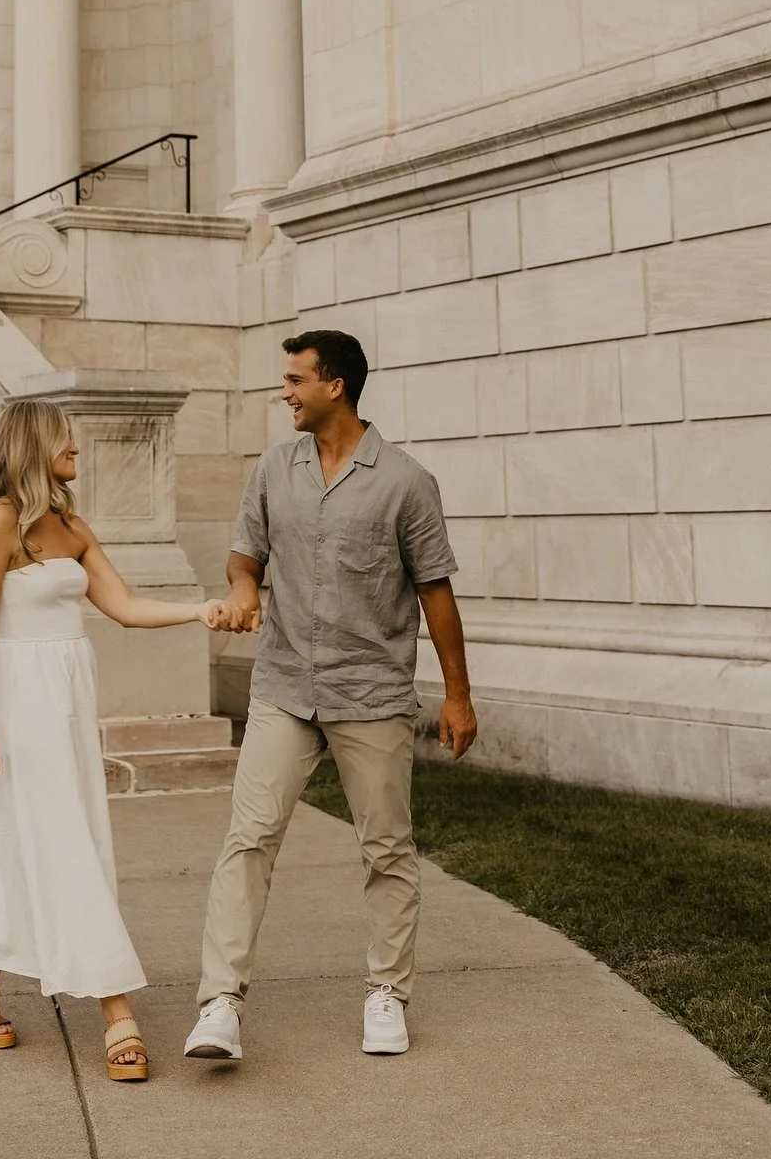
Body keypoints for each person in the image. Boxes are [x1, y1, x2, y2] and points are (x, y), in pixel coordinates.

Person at [185, 329, 477, 1063]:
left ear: (334, 386)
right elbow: (245, 557)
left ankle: (388, 993)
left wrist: (458, 696)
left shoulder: (406, 482)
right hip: (285, 685)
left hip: (370, 691)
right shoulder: (272, 469)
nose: (284, 392)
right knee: (248, 838)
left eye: (295, 380)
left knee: (386, 848)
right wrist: (244, 590)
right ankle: (220, 1002)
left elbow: (436, 592)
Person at [0, 397, 237, 1083]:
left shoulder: (72, 526)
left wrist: (198, 610)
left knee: (31, 842)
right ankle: (115, 1008)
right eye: (64, 439)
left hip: (70, 702)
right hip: (21, 701)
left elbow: (125, 607)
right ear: (32, 445)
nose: (75, 447)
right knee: (67, 843)